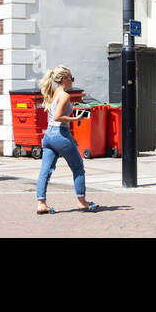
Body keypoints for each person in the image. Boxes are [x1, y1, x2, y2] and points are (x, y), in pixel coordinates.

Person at [35, 65, 96, 214]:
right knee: (78, 168)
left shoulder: (55, 92)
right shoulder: (65, 96)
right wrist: (76, 118)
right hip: (59, 135)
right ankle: (82, 202)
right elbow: (58, 117)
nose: (72, 80)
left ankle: (41, 203)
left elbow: (54, 120)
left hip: (49, 136)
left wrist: (71, 136)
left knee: (45, 171)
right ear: (64, 79)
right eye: (71, 77)